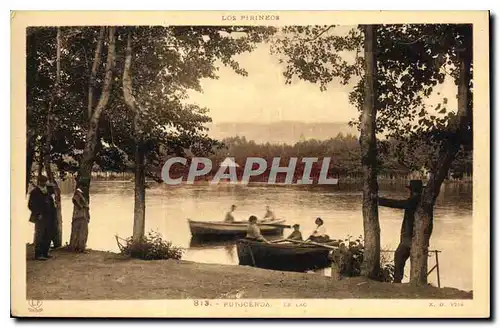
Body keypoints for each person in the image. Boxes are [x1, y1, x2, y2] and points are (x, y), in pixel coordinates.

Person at [378, 180, 428, 284]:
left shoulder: (414, 201)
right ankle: (406, 282)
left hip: (409, 238)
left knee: (399, 256)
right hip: (414, 237)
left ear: (412, 190)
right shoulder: (422, 201)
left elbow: (397, 204)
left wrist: (379, 201)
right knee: (404, 257)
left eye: (411, 190)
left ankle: (397, 282)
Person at [28, 175, 57, 260]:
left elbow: (51, 203)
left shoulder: (47, 191)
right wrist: (38, 214)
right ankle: (38, 254)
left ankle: (45, 252)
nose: (44, 183)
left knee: (48, 234)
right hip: (40, 217)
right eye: (42, 182)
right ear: (39, 182)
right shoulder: (34, 192)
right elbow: (31, 205)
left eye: (45, 182)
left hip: (49, 216)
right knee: (40, 235)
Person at [69, 186, 90, 252]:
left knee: (83, 233)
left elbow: (86, 208)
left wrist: (88, 215)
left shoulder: (83, 197)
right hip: (78, 217)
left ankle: (81, 247)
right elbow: (79, 205)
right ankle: (77, 247)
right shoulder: (76, 197)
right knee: (79, 233)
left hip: (82, 217)